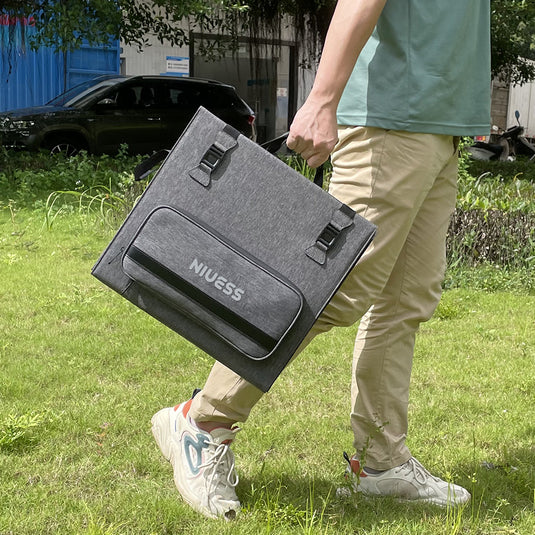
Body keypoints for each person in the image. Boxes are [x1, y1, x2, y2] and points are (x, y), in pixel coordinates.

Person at [150, 0, 491, 520]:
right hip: (387, 121)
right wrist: (322, 99)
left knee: (406, 301)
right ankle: (202, 423)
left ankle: (382, 464)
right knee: (331, 291)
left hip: (437, 128)